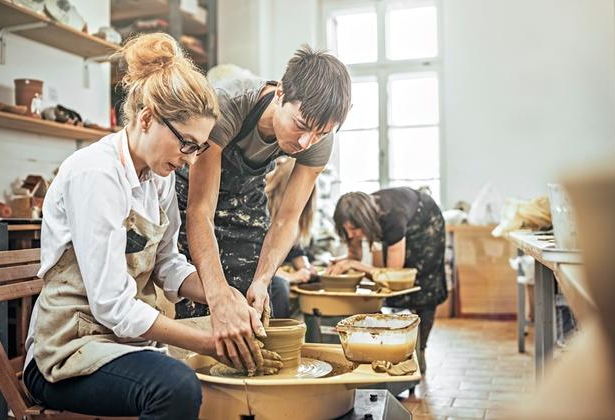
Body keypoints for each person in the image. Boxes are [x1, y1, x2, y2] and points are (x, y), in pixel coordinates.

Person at [22, 33, 280, 419]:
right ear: (146, 118)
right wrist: (207, 342)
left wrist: (225, 296)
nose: (192, 160)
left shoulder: (157, 178)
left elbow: (169, 264)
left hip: (123, 343)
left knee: (252, 336)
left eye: (199, 148)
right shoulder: (96, 174)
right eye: (187, 144)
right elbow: (112, 306)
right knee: (175, 386)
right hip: (68, 351)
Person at [174, 46, 351, 364]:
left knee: (249, 290)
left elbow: (286, 220)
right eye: (301, 125)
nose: (305, 143)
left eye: (321, 133)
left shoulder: (317, 138)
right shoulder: (227, 104)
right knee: (199, 295)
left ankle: (246, 394)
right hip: (191, 192)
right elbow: (201, 212)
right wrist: (217, 295)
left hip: (246, 192)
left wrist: (263, 278)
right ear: (280, 92)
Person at [328, 187, 447, 373]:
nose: (350, 235)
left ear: (365, 222)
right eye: (346, 229)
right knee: (390, 296)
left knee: (422, 288)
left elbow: (394, 274)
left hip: (425, 224)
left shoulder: (392, 217)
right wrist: (342, 262)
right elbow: (354, 255)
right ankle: (392, 349)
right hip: (402, 224)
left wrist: (355, 265)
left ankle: (419, 350)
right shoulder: (355, 219)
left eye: (354, 229)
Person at [264, 157, 317, 317]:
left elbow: (296, 250)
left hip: (277, 269)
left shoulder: (297, 216)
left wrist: (306, 268)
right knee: (279, 286)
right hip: (257, 271)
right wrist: (291, 276)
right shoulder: (261, 211)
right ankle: (278, 337)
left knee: (315, 282)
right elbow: (252, 262)